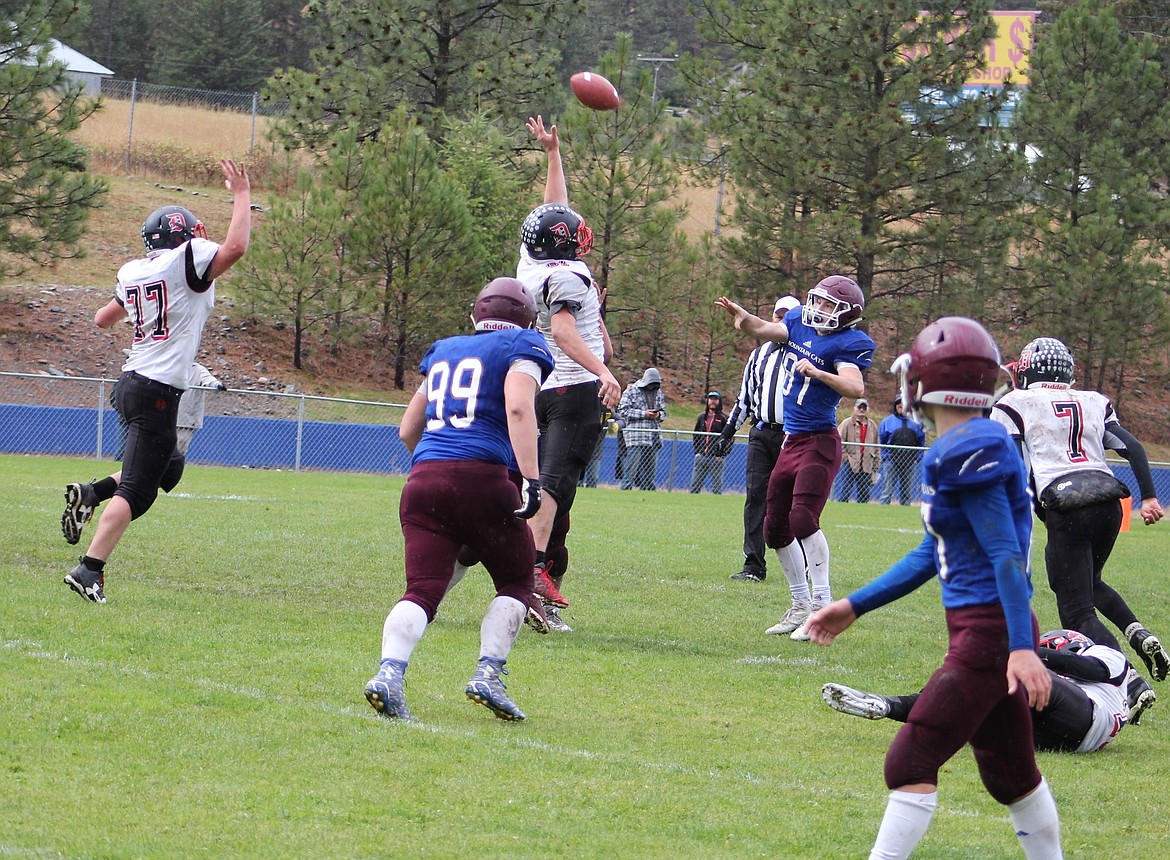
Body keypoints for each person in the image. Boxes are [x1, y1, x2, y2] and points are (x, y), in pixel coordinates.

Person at [806, 317, 1062, 860]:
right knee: (1011, 776)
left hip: (990, 633)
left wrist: (1019, 646)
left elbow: (1006, 556)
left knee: (910, 761)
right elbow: (933, 550)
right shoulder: (962, 442)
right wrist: (853, 605)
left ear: (929, 382)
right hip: (988, 631)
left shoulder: (973, 445)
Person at [60, 160, 252, 603]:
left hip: (131, 383)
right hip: (157, 389)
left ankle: (91, 493)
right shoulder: (190, 258)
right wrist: (242, 194)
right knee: (139, 492)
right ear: (185, 235)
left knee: (169, 467)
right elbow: (236, 247)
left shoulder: (134, 271)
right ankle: (89, 570)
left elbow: (102, 318)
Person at [363, 277, 554, 722]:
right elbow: (520, 408)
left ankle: (389, 673)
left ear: (476, 314)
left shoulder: (446, 349)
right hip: (484, 478)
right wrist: (531, 479)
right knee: (516, 581)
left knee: (423, 590)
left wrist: (439, 468)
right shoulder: (523, 345)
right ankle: (488, 673)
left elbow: (408, 429)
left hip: (424, 480)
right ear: (526, 318)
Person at [992, 336, 1169, 689]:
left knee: (1076, 611)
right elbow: (1131, 446)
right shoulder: (1092, 400)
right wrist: (1149, 498)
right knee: (1090, 583)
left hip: (1067, 504)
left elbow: (1012, 464)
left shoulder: (1015, 402)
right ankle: (1138, 633)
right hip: (1108, 502)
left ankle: (1128, 681)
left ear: (1026, 371)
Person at [717, 277, 875, 639]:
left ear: (847, 313)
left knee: (803, 518)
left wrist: (820, 372)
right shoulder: (800, 321)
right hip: (790, 440)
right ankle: (800, 605)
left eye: (829, 306)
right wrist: (744, 317)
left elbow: (855, 387)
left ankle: (822, 605)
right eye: (817, 302)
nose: (819, 310)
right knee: (774, 528)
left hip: (820, 441)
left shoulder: (852, 342)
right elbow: (764, 328)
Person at [515, 116, 621, 629]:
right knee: (553, 487)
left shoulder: (531, 262)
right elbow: (564, 333)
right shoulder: (571, 275)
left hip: (534, 383)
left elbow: (550, 214)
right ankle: (531, 578)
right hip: (574, 386)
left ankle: (538, 576)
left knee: (545, 490)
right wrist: (605, 370)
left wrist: (552, 154)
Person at [823, 628, 1151, 753]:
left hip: (1087, 716)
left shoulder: (1106, 654)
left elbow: (1088, 669)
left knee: (992, 674)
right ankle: (885, 705)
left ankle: (896, 703)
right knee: (973, 710)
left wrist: (1026, 651)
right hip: (1063, 738)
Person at [61, 362, 227, 547]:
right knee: (153, 476)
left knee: (159, 469)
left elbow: (206, 378)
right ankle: (91, 561)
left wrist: (215, 385)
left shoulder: (183, 366)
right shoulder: (172, 360)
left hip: (152, 408)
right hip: (163, 416)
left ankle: (92, 494)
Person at [719, 295, 803, 582]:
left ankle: (802, 563)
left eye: (787, 316)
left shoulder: (805, 353)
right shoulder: (759, 354)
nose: (781, 320)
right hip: (761, 433)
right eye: (777, 315)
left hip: (792, 435)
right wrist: (728, 431)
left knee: (793, 502)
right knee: (755, 498)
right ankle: (753, 565)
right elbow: (745, 396)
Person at [616, 367, 667, 491]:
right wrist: (644, 414)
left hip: (654, 436)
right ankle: (625, 490)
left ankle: (647, 492)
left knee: (650, 471)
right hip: (635, 437)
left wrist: (658, 415)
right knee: (631, 469)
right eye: (651, 384)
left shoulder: (658, 393)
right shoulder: (631, 391)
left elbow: (663, 412)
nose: (653, 387)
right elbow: (623, 411)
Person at [878, 395, 926, 505]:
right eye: (898, 403)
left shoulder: (917, 422)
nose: (900, 405)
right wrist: (886, 457)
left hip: (910, 462)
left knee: (907, 493)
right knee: (887, 492)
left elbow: (921, 442)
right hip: (891, 461)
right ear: (895, 406)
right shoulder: (887, 422)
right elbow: (881, 441)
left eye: (903, 403)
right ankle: (881, 514)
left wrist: (917, 458)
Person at [176, 362, 227, 456]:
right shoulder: (169, 364)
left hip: (186, 419)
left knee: (178, 450)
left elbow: (208, 380)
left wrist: (217, 385)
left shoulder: (198, 369)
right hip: (164, 416)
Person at [835, 398, 880, 503]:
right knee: (845, 492)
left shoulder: (872, 425)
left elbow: (877, 446)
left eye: (864, 408)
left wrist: (876, 464)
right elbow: (839, 441)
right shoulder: (846, 423)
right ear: (854, 408)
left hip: (866, 464)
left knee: (864, 494)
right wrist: (846, 458)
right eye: (859, 407)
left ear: (867, 409)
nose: (861, 410)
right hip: (849, 463)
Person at [690, 391, 729, 494]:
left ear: (719, 401)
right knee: (694, 487)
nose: (713, 401)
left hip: (716, 458)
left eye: (715, 399)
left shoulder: (724, 418)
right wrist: (697, 451)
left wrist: (722, 453)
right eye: (711, 399)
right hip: (702, 456)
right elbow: (696, 435)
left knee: (717, 488)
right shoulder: (701, 417)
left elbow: (729, 438)